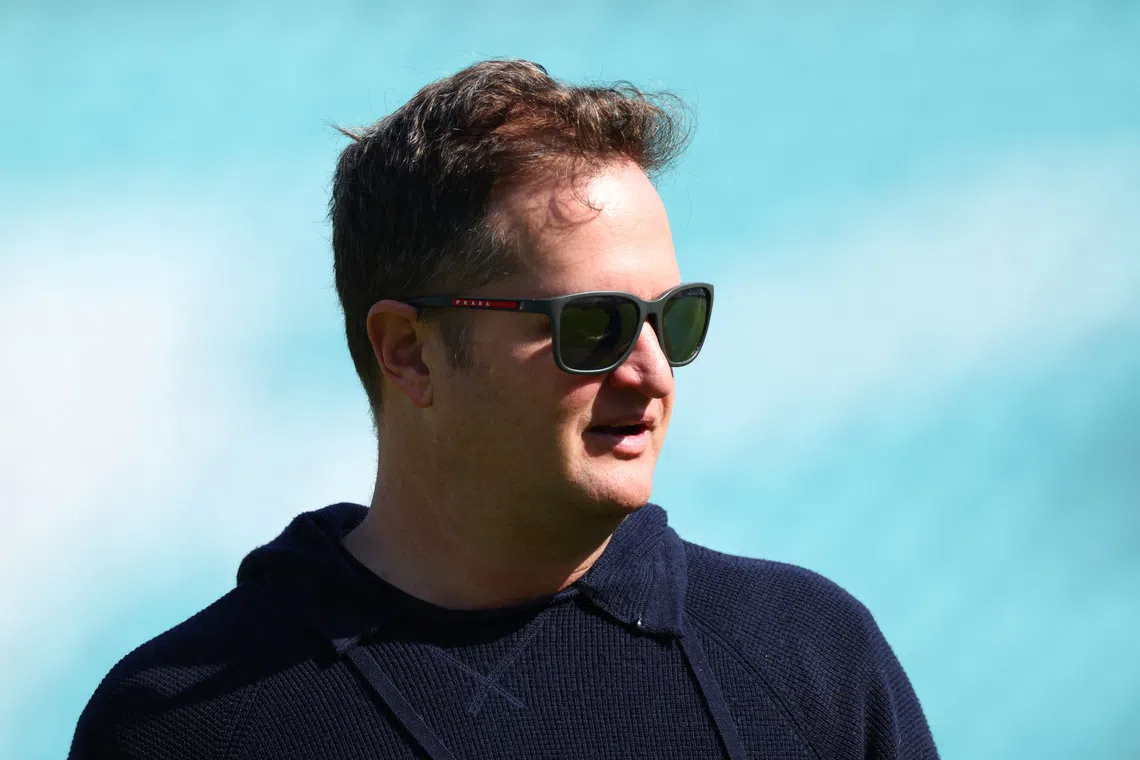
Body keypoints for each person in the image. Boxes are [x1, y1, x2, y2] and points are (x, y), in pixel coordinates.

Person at [70, 59, 939, 759]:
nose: (652, 373)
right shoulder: (181, 726)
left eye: (673, 320)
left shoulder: (809, 657)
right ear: (407, 350)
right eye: (592, 325)